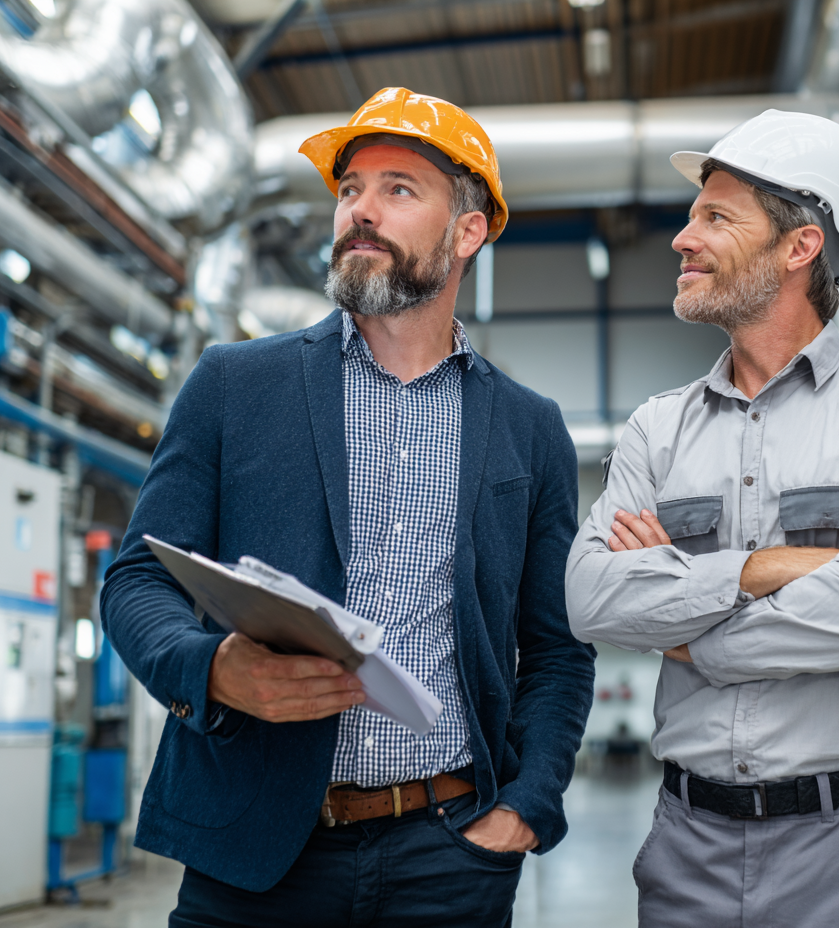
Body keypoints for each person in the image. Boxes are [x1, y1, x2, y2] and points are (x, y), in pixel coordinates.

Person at [101, 86, 595, 928]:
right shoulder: (233, 384)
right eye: (348, 190)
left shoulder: (530, 428)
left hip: (450, 854)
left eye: (398, 189)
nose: (361, 211)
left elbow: (554, 650)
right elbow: (137, 578)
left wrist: (522, 809)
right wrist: (211, 668)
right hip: (251, 860)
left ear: (467, 230)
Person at [565, 109, 839, 927]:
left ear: (798, 246)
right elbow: (592, 599)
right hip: (686, 847)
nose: (682, 238)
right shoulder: (657, 428)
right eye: (690, 214)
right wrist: (760, 570)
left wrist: (682, 626)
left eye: (715, 215)